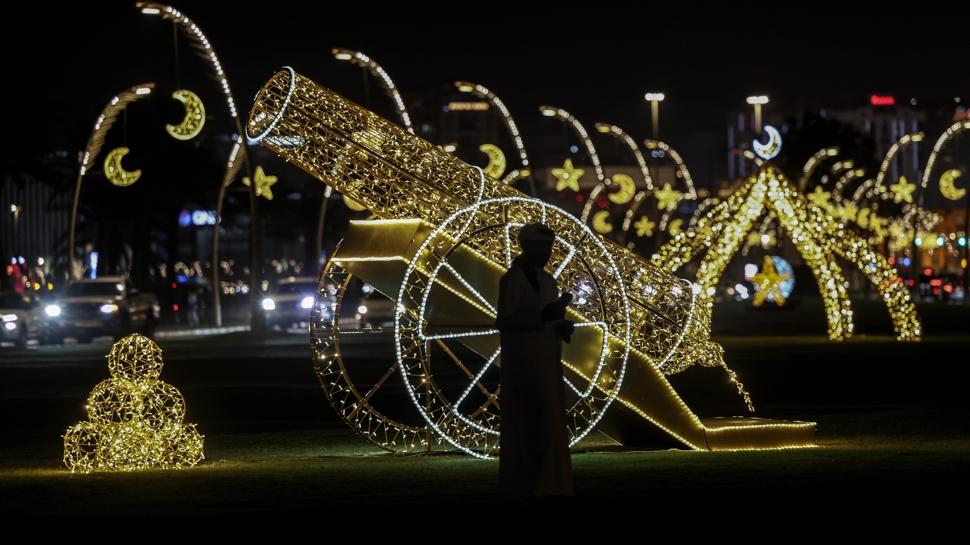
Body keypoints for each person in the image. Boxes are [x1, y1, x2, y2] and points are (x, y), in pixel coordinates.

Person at [495, 223, 575, 499]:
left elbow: (548, 319)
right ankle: (526, 483)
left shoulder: (548, 281)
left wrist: (561, 326)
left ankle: (548, 482)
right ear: (527, 247)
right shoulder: (510, 281)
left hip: (546, 363)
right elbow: (504, 322)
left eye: (550, 248)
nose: (548, 254)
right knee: (525, 424)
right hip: (522, 366)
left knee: (548, 423)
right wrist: (544, 317)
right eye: (543, 248)